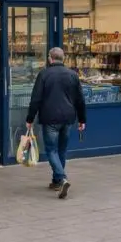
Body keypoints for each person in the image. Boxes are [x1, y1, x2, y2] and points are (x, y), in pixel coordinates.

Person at [26, 47, 86, 199]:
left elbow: (36, 99)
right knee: (61, 150)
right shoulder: (73, 75)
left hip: (50, 118)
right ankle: (57, 181)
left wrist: (30, 118)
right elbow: (80, 99)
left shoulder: (44, 74)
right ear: (63, 59)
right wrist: (82, 119)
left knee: (51, 150)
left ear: (50, 58)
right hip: (68, 118)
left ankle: (62, 178)